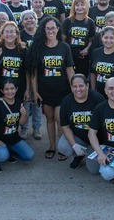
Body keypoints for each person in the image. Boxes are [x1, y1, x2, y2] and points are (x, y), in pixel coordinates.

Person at [25, 16, 75, 160]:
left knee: (60, 119)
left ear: (58, 29)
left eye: (53, 28)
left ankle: (62, 148)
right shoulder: (38, 48)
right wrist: (35, 92)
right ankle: (52, 147)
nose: (51, 31)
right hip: (45, 91)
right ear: (43, 30)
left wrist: (74, 88)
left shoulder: (64, 47)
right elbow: (33, 73)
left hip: (63, 90)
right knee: (50, 119)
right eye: (48, 28)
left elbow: (69, 69)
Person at [0, 79, 35, 173]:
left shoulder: (18, 101)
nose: (10, 91)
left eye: (12, 88)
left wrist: (23, 114)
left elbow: (22, 123)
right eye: (6, 89)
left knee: (29, 156)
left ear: (16, 89)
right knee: (2, 156)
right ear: (2, 91)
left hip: (13, 138)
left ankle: (9, 152)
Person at [58, 74, 106, 171]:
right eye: (75, 86)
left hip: (97, 140)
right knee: (63, 146)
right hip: (79, 138)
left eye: (81, 86)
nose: (78, 89)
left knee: (94, 170)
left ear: (87, 86)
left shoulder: (98, 99)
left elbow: (106, 124)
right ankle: (79, 155)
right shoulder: (66, 101)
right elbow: (65, 126)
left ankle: (89, 154)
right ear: (71, 87)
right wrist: (74, 145)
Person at [61, 0, 96, 77]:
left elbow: (91, 39)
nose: (80, 7)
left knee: (82, 77)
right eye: (77, 5)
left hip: (83, 55)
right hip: (70, 54)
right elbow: (62, 39)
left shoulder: (90, 22)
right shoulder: (67, 21)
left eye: (82, 4)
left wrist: (87, 49)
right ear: (74, 7)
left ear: (86, 6)